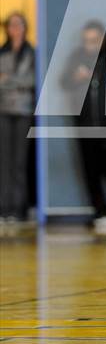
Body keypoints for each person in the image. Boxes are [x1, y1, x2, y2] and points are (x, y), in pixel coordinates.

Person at [61, 20, 106, 235]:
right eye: (87, 40)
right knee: (89, 170)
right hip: (84, 123)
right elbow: (63, 82)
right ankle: (101, 213)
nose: (90, 44)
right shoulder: (76, 58)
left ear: (103, 39)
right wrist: (74, 77)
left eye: (95, 40)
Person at [0, 12, 35, 223]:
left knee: (20, 161)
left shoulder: (31, 53)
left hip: (23, 112)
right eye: (11, 25)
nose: (15, 29)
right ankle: (4, 207)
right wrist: (16, 82)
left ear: (24, 27)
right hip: (3, 112)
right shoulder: (2, 51)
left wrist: (7, 80)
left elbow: (30, 81)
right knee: (4, 161)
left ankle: (18, 208)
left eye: (18, 24)